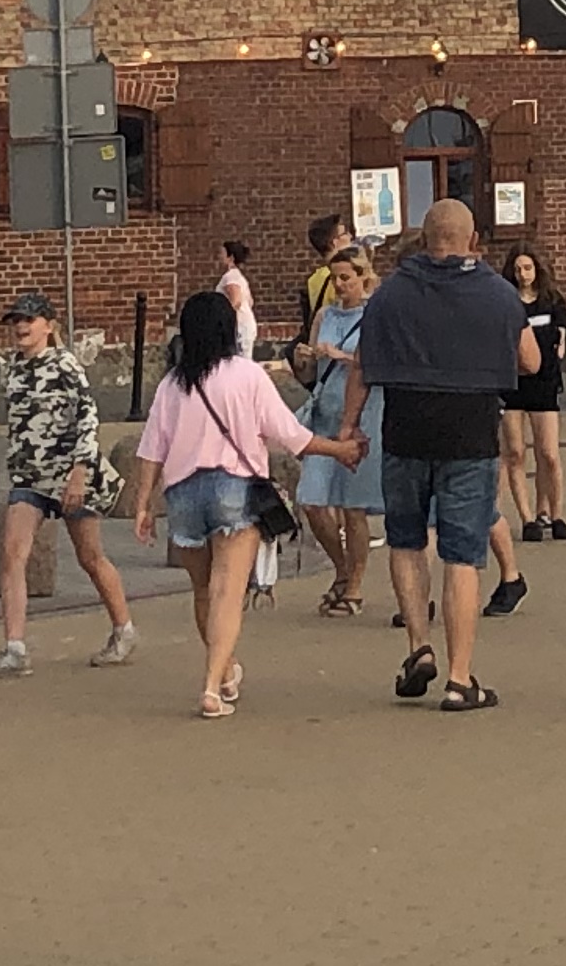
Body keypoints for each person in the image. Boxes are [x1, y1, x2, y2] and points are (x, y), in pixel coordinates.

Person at [129, 290, 363, 719]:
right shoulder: (247, 375)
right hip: (234, 487)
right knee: (228, 591)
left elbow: (152, 449)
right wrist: (340, 450)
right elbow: (292, 436)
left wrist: (143, 503)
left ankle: (225, 671)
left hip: (182, 493)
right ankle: (211, 686)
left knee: (204, 590)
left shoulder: (172, 384)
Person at [357, 198, 532, 712]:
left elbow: (362, 364)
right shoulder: (498, 294)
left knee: (407, 540)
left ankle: (419, 646)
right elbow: (530, 360)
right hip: (470, 433)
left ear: (426, 238)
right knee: (462, 553)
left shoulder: (390, 294)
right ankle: (460, 679)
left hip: (405, 428)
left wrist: (348, 427)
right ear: (472, 239)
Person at [0, 289, 138, 675]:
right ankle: (15, 648)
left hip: (69, 473)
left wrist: (80, 471)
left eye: (29, 320)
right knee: (12, 552)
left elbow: (87, 417)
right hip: (30, 476)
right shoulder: (14, 368)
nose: (21, 326)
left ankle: (123, 628)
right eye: (16, 320)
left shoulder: (65, 365)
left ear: (48, 327)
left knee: (90, 557)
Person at [291, 242, 382, 615]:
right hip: (325, 414)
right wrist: (304, 360)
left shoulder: (375, 316)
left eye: (346, 278)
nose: (340, 285)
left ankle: (354, 585)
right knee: (312, 501)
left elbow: (374, 365)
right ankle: (341, 568)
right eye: (335, 279)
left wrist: (342, 356)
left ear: (363, 278)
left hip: (360, 417)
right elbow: (311, 374)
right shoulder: (324, 315)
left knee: (352, 505)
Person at [498, 245, 566, 540]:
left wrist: (560, 347)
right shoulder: (506, 302)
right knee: (515, 452)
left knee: (548, 454)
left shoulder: (551, 300)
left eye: (527, 268)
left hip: (544, 382)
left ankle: (554, 514)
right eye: (518, 269)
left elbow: (562, 331)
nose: (523, 274)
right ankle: (527, 518)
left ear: (537, 269)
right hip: (514, 383)